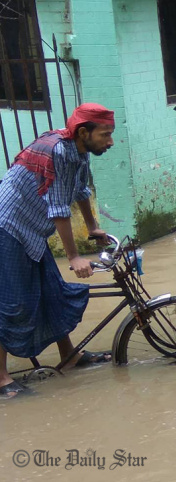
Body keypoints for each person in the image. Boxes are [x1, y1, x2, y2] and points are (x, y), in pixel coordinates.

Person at [0, 103, 116, 398]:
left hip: (34, 230)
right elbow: (58, 208)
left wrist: (92, 226)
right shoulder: (59, 152)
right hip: (9, 226)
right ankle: (1, 379)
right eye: (105, 134)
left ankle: (69, 356)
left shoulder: (79, 151)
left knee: (52, 290)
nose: (110, 141)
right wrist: (74, 256)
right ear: (82, 132)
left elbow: (80, 191)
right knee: (12, 305)